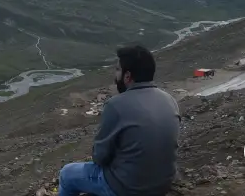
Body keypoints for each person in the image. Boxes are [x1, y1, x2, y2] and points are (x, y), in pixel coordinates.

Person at [58, 45, 180, 196]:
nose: (115, 75)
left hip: (127, 188)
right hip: (163, 184)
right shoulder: (169, 100)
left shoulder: (116, 105)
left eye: (117, 70)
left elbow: (100, 158)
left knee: (67, 174)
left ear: (127, 76)